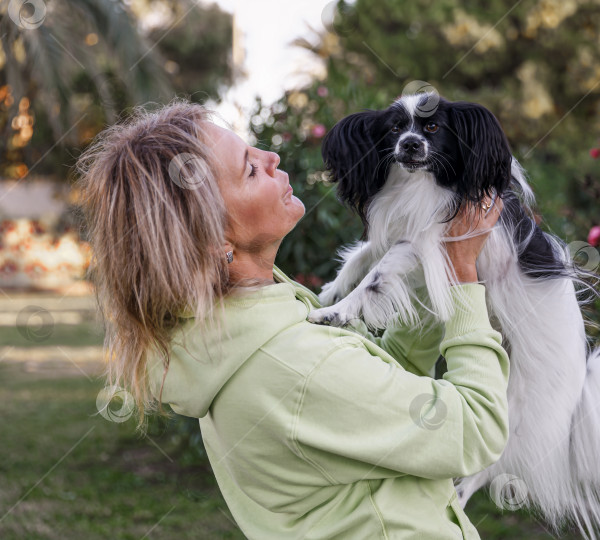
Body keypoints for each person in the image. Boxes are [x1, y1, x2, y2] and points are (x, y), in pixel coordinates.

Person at [77, 100, 508, 539]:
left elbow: (382, 386)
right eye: (249, 169)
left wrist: (425, 272)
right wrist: (460, 278)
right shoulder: (294, 364)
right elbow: (475, 429)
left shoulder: (233, 336)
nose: (272, 158)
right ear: (214, 240)